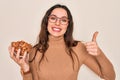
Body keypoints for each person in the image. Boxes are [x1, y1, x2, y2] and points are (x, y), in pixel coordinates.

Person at [9, 4, 116, 80]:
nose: (58, 23)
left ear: (68, 25)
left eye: (63, 20)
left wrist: (99, 54)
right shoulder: (34, 51)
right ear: (46, 22)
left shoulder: (78, 48)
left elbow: (109, 77)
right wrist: (25, 68)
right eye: (53, 18)